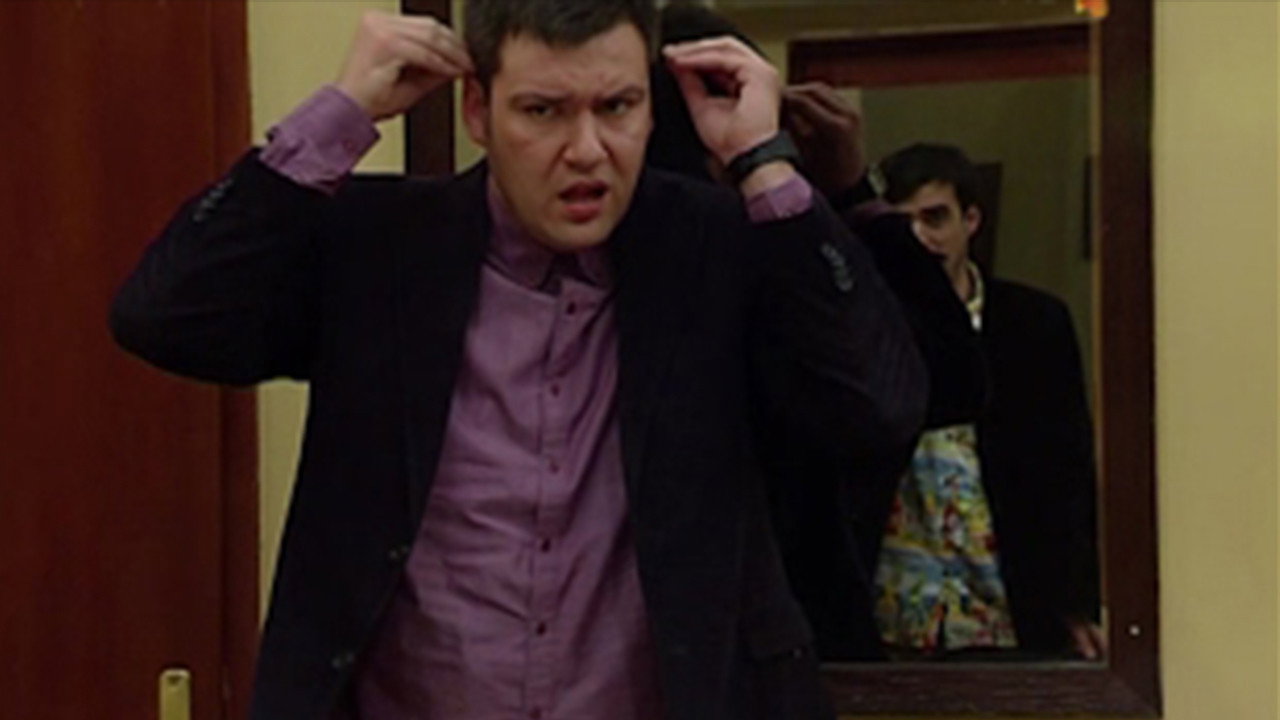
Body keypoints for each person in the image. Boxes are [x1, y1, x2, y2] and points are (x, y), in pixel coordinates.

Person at [110, 1, 927, 718]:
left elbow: (879, 407)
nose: (587, 149)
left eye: (617, 106)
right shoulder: (381, 247)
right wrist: (340, 113)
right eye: (543, 111)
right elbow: (164, 315)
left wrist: (764, 163)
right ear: (477, 108)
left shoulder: (714, 249)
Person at [647, 4, 986, 661]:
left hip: (803, 642)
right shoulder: (749, 269)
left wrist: (849, 196)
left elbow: (949, 384)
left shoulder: (792, 250)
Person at [870, 143, 1104, 660]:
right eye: (904, 224)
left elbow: (1068, 464)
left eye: (936, 218)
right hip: (896, 605)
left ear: (970, 220)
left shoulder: (1033, 322)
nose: (921, 237)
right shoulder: (869, 328)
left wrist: (1076, 600)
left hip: (1008, 598)